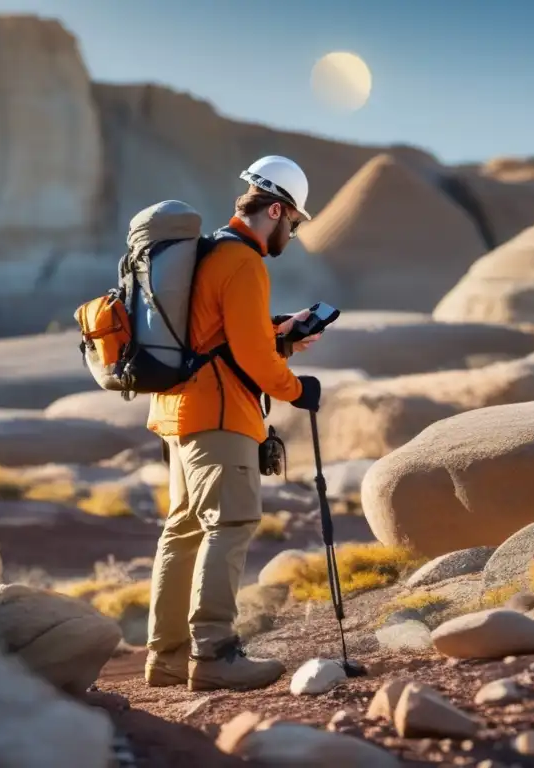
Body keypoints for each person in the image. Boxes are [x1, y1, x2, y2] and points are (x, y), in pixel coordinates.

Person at [143, 155, 323, 691]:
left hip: (179, 414)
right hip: (220, 416)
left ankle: (167, 658)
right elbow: (249, 356)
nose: (291, 232)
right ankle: (215, 654)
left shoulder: (208, 253)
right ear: (275, 209)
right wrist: (297, 388)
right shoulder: (244, 262)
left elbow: (216, 334)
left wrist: (279, 333)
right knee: (231, 525)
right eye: (293, 222)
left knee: (183, 532)